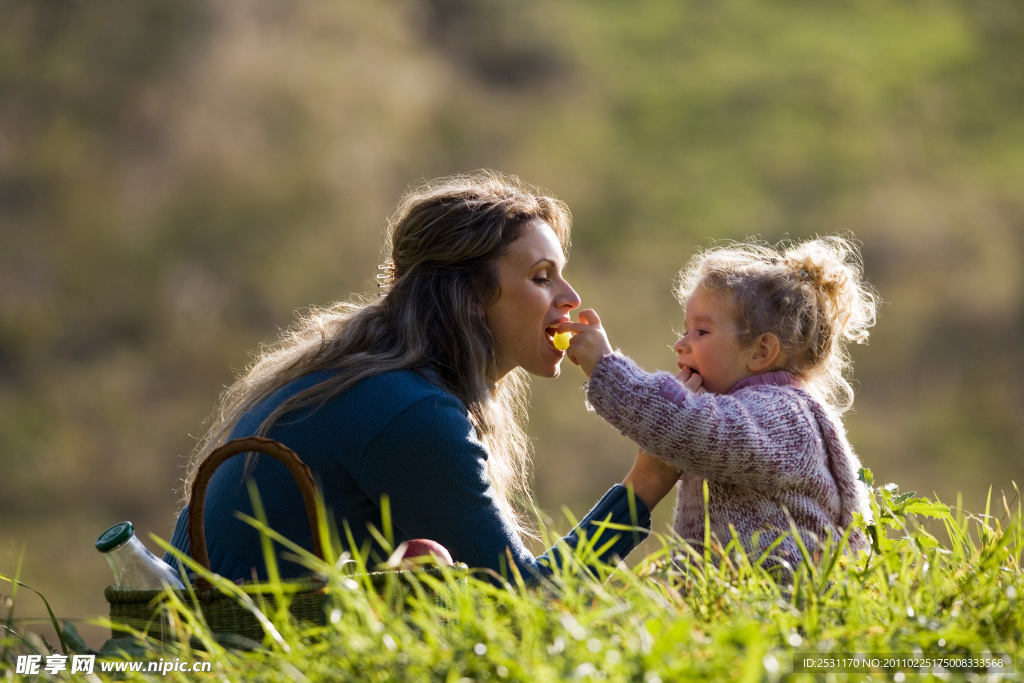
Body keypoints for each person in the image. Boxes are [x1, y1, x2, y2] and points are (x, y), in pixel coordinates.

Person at [165, 170, 680, 584]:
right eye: (541, 277)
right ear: (472, 298)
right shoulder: (411, 413)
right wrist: (647, 481)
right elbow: (529, 603)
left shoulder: (362, 376)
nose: (569, 297)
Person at [558, 235, 878, 578]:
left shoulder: (785, 414)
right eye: (685, 330)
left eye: (701, 332)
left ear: (760, 352)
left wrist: (607, 368)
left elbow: (694, 427)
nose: (680, 345)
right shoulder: (752, 408)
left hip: (779, 608)